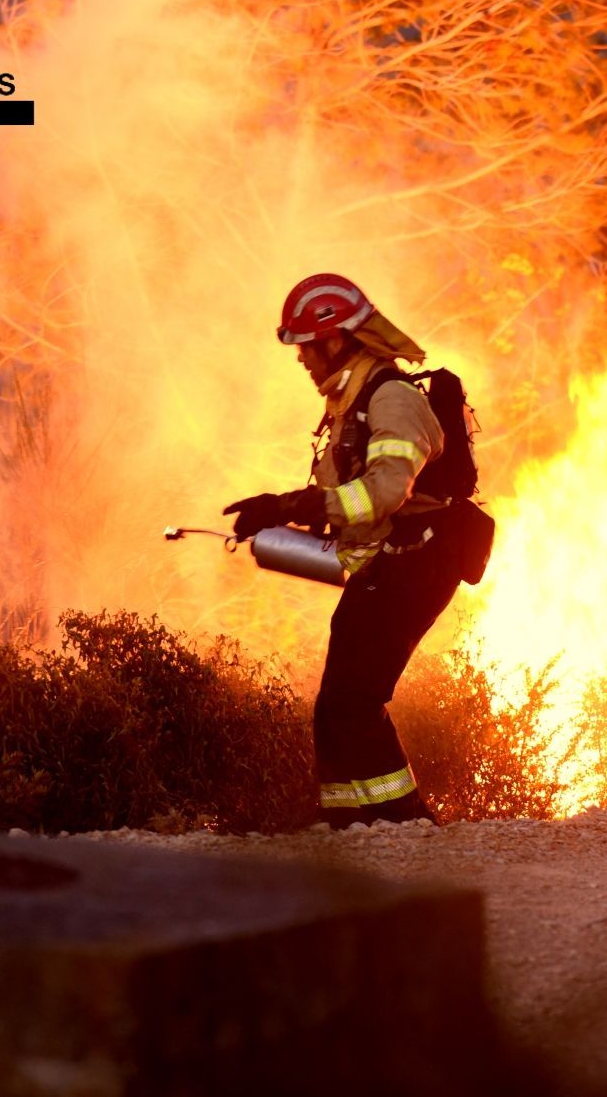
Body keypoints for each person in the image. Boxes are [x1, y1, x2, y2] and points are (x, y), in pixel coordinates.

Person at [224, 273, 460, 828]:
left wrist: (293, 505)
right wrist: (283, 525)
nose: (302, 359)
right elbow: (350, 507)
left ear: (338, 341)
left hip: (417, 564)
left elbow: (384, 491)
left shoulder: (393, 398)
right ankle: (349, 827)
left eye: (307, 345)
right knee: (334, 708)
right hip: (388, 565)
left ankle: (408, 827)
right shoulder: (351, 403)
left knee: (355, 702)